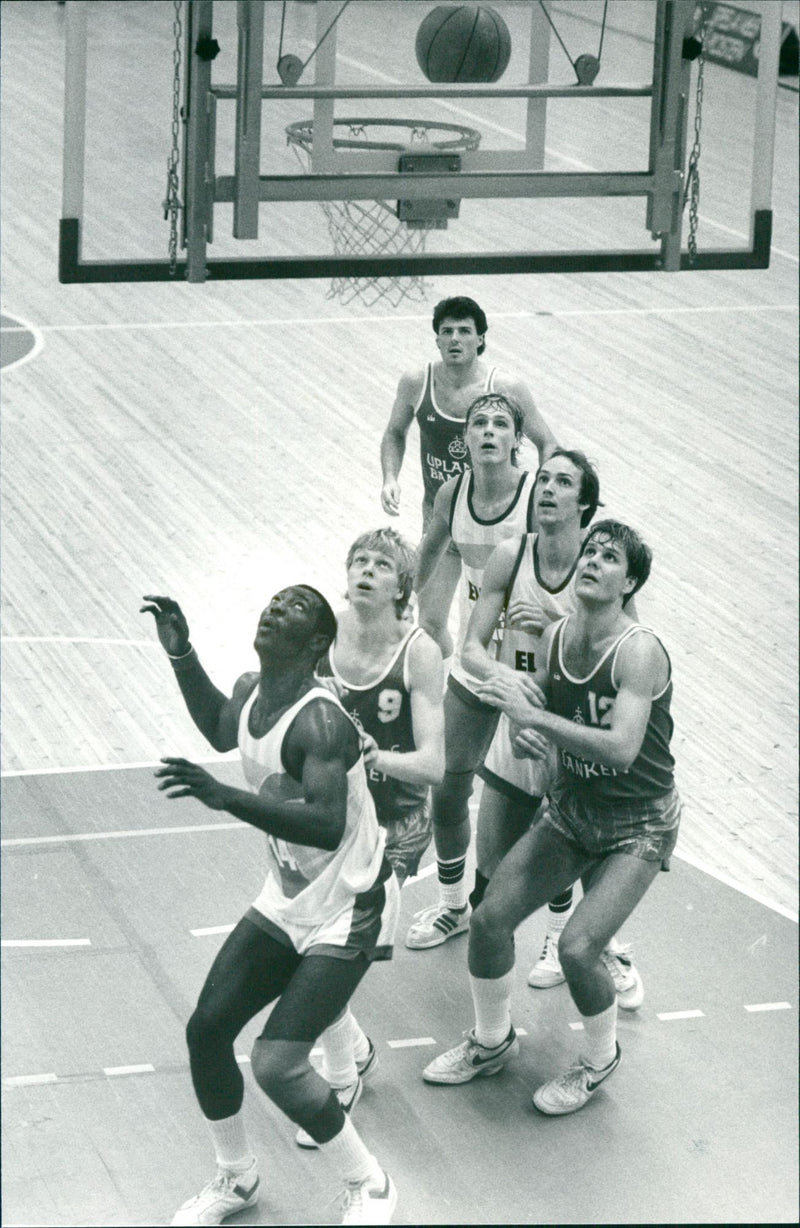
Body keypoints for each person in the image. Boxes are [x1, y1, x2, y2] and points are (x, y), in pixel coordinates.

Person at [141, 586, 400, 1226]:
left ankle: (371, 1185)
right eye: (274, 602)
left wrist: (225, 798)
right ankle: (237, 1178)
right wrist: (182, 656)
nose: (273, 610)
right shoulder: (255, 688)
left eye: (293, 609)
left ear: (316, 644)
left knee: (278, 1065)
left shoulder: (322, 723)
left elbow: (325, 824)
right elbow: (221, 727)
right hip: (289, 895)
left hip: (352, 902)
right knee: (206, 1031)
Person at [422, 521, 681, 1117]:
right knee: (488, 921)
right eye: (590, 550)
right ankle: (492, 1042)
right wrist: (522, 724)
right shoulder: (559, 635)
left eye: (608, 557)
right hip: (571, 810)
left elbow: (620, 748)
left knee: (579, 947)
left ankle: (599, 1060)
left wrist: (538, 723)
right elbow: (531, 705)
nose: (591, 560)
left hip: (637, 823)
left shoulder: (639, 650)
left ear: (629, 582)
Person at [462, 452, 644, 1006]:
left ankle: (596, 946)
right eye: (542, 478)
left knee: (580, 854)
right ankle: (492, 1019)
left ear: (584, 503)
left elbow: (623, 657)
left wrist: (551, 631)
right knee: (493, 876)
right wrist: (510, 687)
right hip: (525, 724)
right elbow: (471, 648)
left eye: (562, 482)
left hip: (574, 734)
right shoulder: (510, 556)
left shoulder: (601, 570)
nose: (545, 489)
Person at [292, 527, 445, 1149]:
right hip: (334, 818)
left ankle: (341, 1075)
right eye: (359, 560)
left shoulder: (419, 652)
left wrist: (372, 758)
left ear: (401, 585)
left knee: (325, 955)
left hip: (396, 824)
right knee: (307, 942)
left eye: (382, 564)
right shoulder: (319, 638)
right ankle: (352, 1046)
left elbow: (434, 766)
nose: (366, 570)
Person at [404, 392, 538, 950]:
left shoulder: (537, 498)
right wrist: (396, 605)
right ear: (464, 440)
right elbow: (428, 555)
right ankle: (454, 905)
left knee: (553, 807)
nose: (487, 431)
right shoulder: (453, 493)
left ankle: (569, 935)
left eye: (499, 423)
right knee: (448, 786)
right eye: (478, 422)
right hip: (479, 658)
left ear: (516, 441)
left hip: (537, 670)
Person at [379, 295, 556, 658]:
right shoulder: (417, 381)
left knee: (502, 625)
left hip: (498, 523)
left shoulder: (505, 386)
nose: (455, 339)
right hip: (441, 516)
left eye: (464, 331)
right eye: (447, 332)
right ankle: (445, 686)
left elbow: (547, 443)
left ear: (480, 339)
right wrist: (390, 477)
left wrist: (547, 491)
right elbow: (395, 432)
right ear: (437, 340)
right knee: (428, 624)